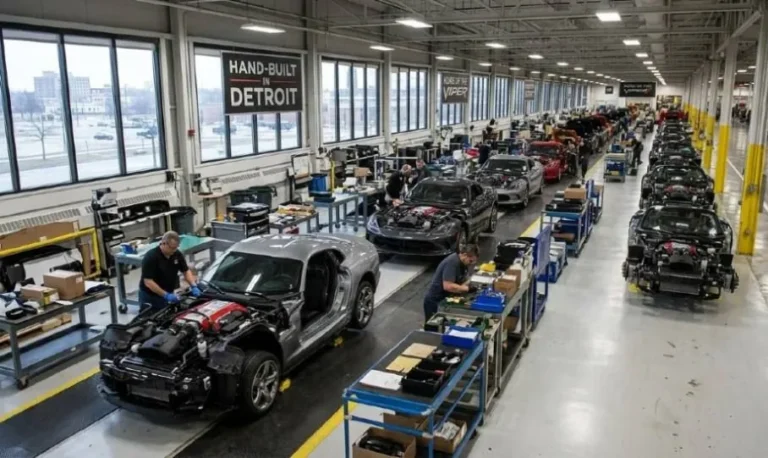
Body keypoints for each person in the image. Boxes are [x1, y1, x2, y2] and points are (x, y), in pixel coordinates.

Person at [139, 231, 200, 313]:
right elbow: (148, 282)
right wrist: (166, 295)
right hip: (150, 297)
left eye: (176, 247)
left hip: (167, 294)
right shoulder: (151, 257)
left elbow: (185, 271)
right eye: (172, 248)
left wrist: (193, 285)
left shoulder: (176, 254)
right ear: (164, 243)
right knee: (149, 321)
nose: (174, 250)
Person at [423, 244, 479, 322]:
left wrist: (472, 282)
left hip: (445, 299)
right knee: (433, 329)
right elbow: (448, 286)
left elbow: (462, 281)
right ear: (464, 255)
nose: (471, 264)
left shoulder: (463, 263)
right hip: (435, 302)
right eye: (470, 261)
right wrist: (468, 289)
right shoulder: (452, 263)